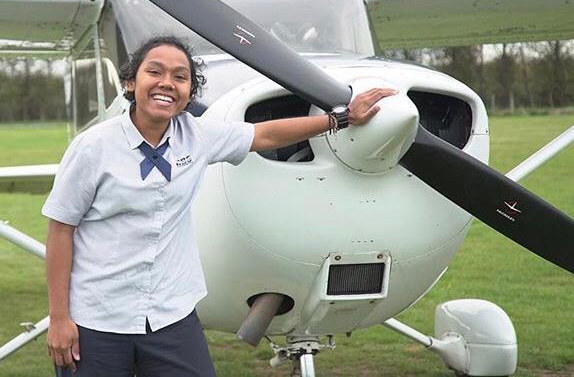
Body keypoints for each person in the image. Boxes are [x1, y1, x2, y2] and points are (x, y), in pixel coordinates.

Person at [43, 36, 396, 376]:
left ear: (188, 94)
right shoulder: (92, 148)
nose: (167, 83)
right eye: (155, 72)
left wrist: (342, 119)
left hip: (171, 316)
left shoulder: (198, 136)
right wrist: (59, 318)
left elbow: (265, 135)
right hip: (98, 318)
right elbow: (61, 229)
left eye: (180, 77)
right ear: (130, 82)